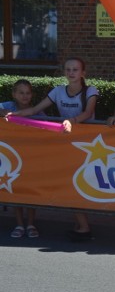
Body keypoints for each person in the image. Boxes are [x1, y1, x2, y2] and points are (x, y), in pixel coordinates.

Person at [9, 58, 97, 241]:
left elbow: (88, 113)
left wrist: (71, 121)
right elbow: (34, 110)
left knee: (80, 185)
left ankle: (84, 226)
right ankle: (82, 225)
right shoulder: (58, 91)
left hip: (88, 145)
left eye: (75, 69)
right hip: (66, 144)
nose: (71, 73)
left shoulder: (91, 90)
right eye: (68, 69)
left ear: (83, 73)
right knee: (71, 184)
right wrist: (15, 115)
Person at [1, 79, 42, 238]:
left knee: (30, 192)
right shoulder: (8, 106)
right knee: (16, 189)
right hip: (12, 157)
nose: (24, 96)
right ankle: (19, 224)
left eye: (27, 93)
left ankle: (31, 223)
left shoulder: (37, 111)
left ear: (31, 94)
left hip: (31, 157)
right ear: (14, 94)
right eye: (21, 93)